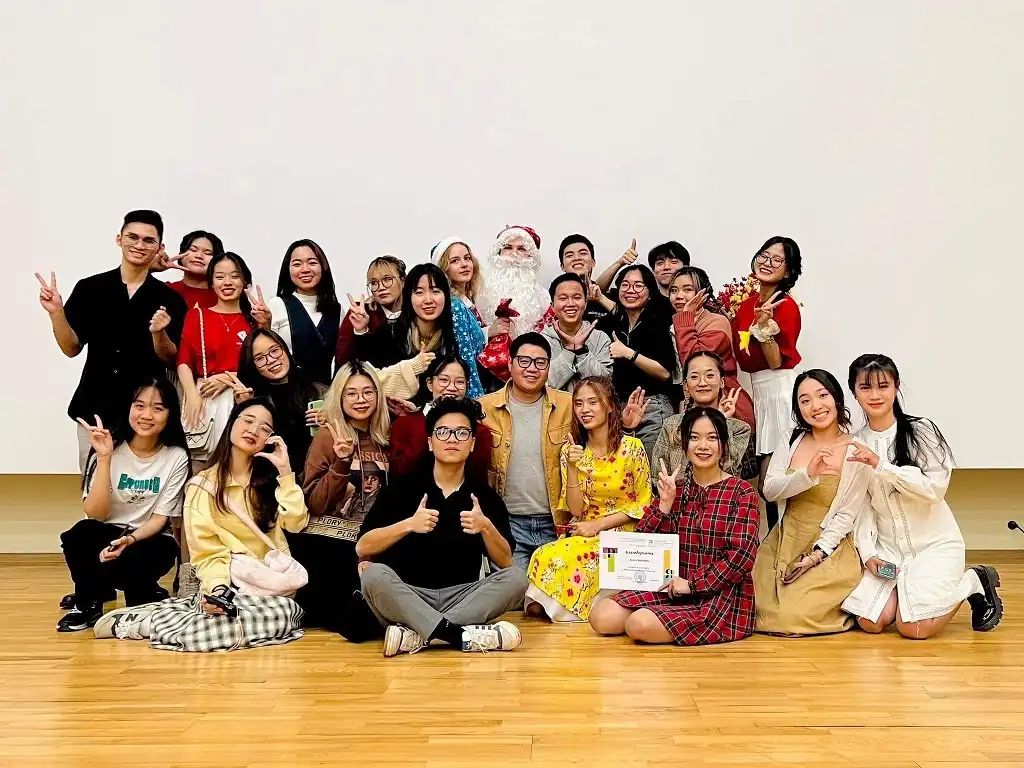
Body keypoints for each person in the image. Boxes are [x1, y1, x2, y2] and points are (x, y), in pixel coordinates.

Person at [93, 398, 308, 650]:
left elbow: (296, 524)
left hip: (271, 586)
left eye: (264, 428)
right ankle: (145, 623)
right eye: (248, 421)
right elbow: (207, 553)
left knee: (286, 613)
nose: (253, 430)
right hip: (230, 585)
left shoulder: (272, 482)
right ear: (232, 424)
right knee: (229, 623)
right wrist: (218, 590)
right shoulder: (202, 486)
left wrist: (285, 473)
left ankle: (160, 619)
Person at [842, 354, 1002, 637]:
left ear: (896, 386)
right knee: (870, 622)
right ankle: (908, 593)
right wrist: (868, 554)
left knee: (914, 628)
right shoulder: (855, 443)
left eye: (883, 386)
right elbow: (862, 507)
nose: (875, 395)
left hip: (933, 548)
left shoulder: (921, 431)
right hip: (890, 554)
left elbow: (934, 490)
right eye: (865, 387)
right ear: (854, 392)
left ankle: (974, 581)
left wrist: (881, 465)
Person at [356, 398, 527, 656]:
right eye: (443, 432)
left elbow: (506, 562)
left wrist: (485, 527)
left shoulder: (484, 496)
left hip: (462, 597)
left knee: (517, 579)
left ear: (472, 444)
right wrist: (409, 525)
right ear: (430, 442)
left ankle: (419, 633)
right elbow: (363, 547)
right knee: (373, 575)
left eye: (461, 433)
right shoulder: (402, 488)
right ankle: (455, 634)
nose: (452, 439)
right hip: (408, 595)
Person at [590, 407, 760, 645]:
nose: (703, 446)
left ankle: (663, 621)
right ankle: (664, 619)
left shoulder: (742, 492)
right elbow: (642, 545)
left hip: (718, 595)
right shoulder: (674, 489)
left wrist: (692, 585)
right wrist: (664, 506)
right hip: (671, 588)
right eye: (694, 437)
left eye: (712, 438)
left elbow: (741, 558)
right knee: (601, 617)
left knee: (638, 624)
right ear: (684, 444)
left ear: (723, 445)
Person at [36, 209, 188, 473]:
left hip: (144, 411)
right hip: (94, 405)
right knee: (93, 484)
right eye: (133, 237)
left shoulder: (170, 299)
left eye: (148, 240)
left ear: (160, 247)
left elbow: (170, 358)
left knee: (138, 485)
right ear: (119, 239)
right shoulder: (89, 288)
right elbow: (71, 348)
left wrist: (158, 333)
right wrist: (56, 313)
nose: (139, 245)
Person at [56, 377, 190, 632]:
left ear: (170, 414)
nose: (146, 415)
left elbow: (159, 520)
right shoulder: (109, 448)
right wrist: (104, 458)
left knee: (146, 561)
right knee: (79, 535)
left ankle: (144, 593)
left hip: (147, 538)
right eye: (139, 406)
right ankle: (87, 602)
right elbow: (95, 513)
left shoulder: (176, 456)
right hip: (108, 533)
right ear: (128, 408)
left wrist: (130, 540)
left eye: (157, 408)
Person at [525, 377, 652, 622]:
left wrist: (599, 525)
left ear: (610, 406)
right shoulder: (571, 450)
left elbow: (643, 504)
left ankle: (576, 610)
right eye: (579, 403)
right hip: (584, 529)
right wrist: (573, 466)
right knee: (543, 553)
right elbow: (575, 509)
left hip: (624, 531)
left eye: (593, 402)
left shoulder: (632, 448)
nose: (585, 409)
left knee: (571, 558)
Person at [753, 370, 869, 636]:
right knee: (751, 607)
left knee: (791, 616)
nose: (815, 406)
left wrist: (817, 555)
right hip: (785, 539)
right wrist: (808, 474)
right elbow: (770, 490)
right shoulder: (791, 439)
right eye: (805, 400)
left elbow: (846, 514)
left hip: (830, 544)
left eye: (822, 395)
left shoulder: (855, 448)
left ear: (836, 399)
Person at [287, 361, 391, 629]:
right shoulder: (327, 436)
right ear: (340, 398)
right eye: (351, 393)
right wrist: (342, 462)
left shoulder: (387, 437)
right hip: (330, 545)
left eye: (367, 392)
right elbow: (315, 503)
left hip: (373, 544)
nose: (360, 400)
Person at [479, 333, 574, 571]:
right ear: (510, 363)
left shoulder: (569, 405)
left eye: (540, 362)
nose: (532, 368)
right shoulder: (483, 408)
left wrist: (625, 427)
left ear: (549, 368)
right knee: (514, 589)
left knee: (552, 591)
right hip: (508, 524)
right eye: (524, 361)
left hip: (557, 523)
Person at [731, 236, 803, 530]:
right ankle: (777, 545)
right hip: (759, 393)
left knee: (776, 481)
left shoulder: (786, 306)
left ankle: (788, 544)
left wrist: (764, 329)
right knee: (768, 486)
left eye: (777, 260)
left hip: (781, 392)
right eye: (764, 255)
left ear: (788, 271)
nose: (767, 263)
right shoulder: (746, 305)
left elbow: (775, 362)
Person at [596, 264, 676, 461]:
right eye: (625, 285)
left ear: (649, 292)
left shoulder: (658, 323)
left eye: (638, 285)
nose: (630, 290)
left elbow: (665, 372)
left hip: (652, 406)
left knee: (651, 469)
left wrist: (628, 353)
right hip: (621, 408)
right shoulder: (615, 322)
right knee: (624, 471)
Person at [177, 252, 258, 444]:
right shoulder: (197, 316)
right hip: (206, 398)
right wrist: (192, 395)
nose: (227, 282)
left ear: (245, 281)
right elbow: (184, 361)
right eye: (220, 277)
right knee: (201, 456)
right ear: (211, 283)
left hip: (244, 398)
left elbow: (261, 366)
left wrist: (227, 379)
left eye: (235, 276)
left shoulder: (254, 320)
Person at [668, 267, 754, 432]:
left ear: (703, 294)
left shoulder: (717, 322)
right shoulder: (675, 323)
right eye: (674, 290)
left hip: (727, 409)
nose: (678, 296)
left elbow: (695, 363)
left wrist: (685, 318)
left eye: (687, 289)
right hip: (695, 407)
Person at [352, 263, 456, 399]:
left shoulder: (455, 335)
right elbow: (369, 378)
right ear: (408, 297)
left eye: (435, 291)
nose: (428, 300)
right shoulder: (390, 334)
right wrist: (361, 330)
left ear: (446, 296)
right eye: (419, 292)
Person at [235, 328, 326, 477]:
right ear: (252, 365)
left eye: (274, 351)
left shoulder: (316, 391)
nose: (271, 360)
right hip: (267, 480)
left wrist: (329, 423)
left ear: (285, 349)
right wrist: (245, 409)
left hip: (314, 479)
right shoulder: (251, 399)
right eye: (260, 358)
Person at [390, 356, 493, 481]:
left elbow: (478, 478)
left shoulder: (479, 432)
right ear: (430, 384)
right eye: (444, 380)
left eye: (460, 382)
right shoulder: (404, 424)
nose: (452, 388)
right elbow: (398, 471)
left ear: (467, 386)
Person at [653, 351, 752, 480]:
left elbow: (730, 470)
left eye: (710, 375)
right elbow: (657, 476)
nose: (702, 383)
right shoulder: (671, 425)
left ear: (722, 382)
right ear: (686, 385)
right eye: (694, 377)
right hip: (676, 493)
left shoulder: (740, 429)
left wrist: (721, 421)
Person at [264, 239, 341, 387]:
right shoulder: (276, 304)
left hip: (327, 391)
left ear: (323, 267)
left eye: (312, 263)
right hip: (287, 390)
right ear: (288, 270)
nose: (305, 269)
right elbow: (266, 352)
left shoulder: (337, 310)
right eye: (297, 264)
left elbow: (342, 357)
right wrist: (264, 325)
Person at [432, 237, 495, 398]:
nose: (464, 264)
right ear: (444, 268)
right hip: (469, 389)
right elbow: (465, 354)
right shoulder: (455, 305)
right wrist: (476, 397)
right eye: (455, 261)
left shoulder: (467, 301)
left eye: (467, 258)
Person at [541, 273, 613, 391]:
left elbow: (605, 386)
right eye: (563, 298)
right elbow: (539, 383)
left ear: (586, 303)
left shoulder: (601, 338)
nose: (571, 304)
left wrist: (582, 352)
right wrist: (568, 352)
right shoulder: (540, 340)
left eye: (577, 297)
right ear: (552, 306)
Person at [478, 225, 551, 337]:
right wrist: (488, 331)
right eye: (508, 247)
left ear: (530, 256)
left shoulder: (543, 297)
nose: (514, 253)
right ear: (499, 252)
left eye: (521, 249)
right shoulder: (481, 294)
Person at [336, 256, 406, 368]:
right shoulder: (360, 312)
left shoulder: (415, 313)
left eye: (387, 279)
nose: (380, 287)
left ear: (403, 280)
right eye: (374, 283)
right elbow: (342, 362)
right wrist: (361, 331)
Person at [153, 230, 223, 310]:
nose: (199, 256)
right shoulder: (164, 289)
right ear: (181, 256)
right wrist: (150, 268)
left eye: (208, 253)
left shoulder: (225, 295)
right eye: (193, 250)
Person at [594, 239, 690, 298]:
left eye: (673, 262)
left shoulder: (695, 298)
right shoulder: (642, 297)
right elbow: (595, 292)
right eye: (660, 263)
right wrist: (620, 263)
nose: (666, 267)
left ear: (686, 267)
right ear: (653, 271)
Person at [558, 233, 614, 322]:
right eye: (569, 255)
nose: (576, 258)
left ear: (593, 262)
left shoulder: (608, 297)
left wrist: (620, 263)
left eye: (583, 253)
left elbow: (628, 320)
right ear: (562, 266)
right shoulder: (553, 297)